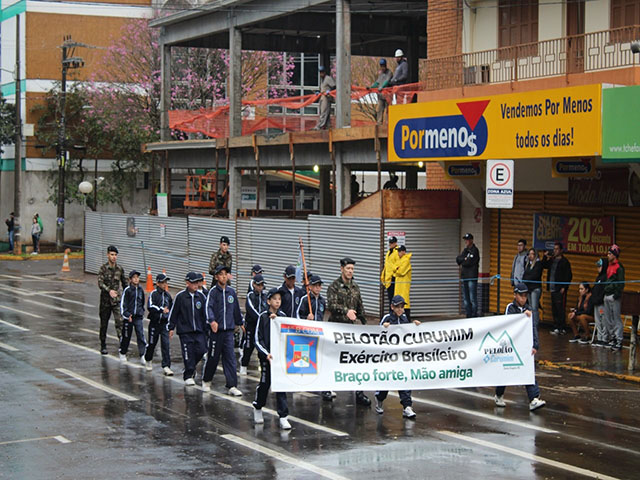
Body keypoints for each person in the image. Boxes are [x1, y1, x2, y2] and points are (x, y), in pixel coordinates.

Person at [494, 283, 546, 412]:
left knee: (527, 371)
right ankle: (499, 394)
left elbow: (532, 327)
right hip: (511, 346)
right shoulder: (510, 308)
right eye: (520, 295)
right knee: (506, 371)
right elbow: (509, 323)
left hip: (524, 347)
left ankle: (533, 398)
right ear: (515, 295)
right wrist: (523, 316)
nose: (523, 298)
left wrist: (535, 345)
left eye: (525, 296)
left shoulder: (529, 309)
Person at [326, 257, 371, 406]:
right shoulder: (334, 287)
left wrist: (368, 326)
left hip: (351, 331)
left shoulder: (355, 287)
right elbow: (331, 305)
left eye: (352, 269)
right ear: (342, 269)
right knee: (333, 360)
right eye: (348, 269)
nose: (350, 271)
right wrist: (346, 311)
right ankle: (328, 387)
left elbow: (360, 308)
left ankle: (359, 392)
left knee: (355, 360)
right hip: (336, 329)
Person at [374, 295, 419, 419]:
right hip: (389, 357)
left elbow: (409, 332)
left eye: (402, 307)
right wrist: (384, 328)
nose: (400, 310)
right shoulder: (387, 318)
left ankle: (407, 406)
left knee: (404, 379)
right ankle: (379, 398)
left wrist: (416, 325)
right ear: (392, 307)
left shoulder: (405, 318)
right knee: (387, 381)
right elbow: (376, 334)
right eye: (398, 307)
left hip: (402, 356)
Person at [253, 287, 291, 429]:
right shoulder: (262, 317)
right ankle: (258, 407)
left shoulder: (282, 316)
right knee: (265, 384)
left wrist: (279, 320)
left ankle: (283, 416)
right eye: (274, 299)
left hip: (279, 359)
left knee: (280, 385)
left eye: (279, 299)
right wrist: (265, 353)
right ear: (268, 301)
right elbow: (258, 339)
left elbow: (288, 333)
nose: (277, 302)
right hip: (266, 358)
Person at [202, 265, 244, 396]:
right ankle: (207, 380)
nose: (224, 276)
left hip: (228, 332)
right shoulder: (213, 292)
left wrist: (240, 322)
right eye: (221, 274)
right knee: (213, 357)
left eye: (226, 274)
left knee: (230, 358)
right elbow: (208, 307)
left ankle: (232, 385)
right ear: (216, 277)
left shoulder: (231, 292)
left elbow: (236, 309)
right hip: (216, 332)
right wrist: (212, 321)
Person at [167, 272, 209, 385]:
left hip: (199, 330)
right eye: (193, 283)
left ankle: (191, 367)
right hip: (185, 331)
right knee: (188, 353)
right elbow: (174, 313)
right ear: (187, 283)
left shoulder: (201, 297)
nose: (196, 285)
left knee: (202, 350)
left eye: (197, 283)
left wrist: (208, 327)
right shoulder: (180, 297)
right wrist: (170, 327)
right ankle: (188, 375)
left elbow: (206, 314)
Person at [97, 245, 127, 354]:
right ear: (108, 255)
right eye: (112, 255)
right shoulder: (103, 269)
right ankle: (103, 344)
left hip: (116, 301)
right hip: (105, 301)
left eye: (115, 255)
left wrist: (127, 295)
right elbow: (100, 283)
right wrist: (109, 290)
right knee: (104, 323)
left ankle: (122, 343)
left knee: (120, 321)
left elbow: (124, 283)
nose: (114, 257)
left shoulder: (119, 269)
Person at [145, 273, 174, 375]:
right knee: (152, 344)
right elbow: (150, 306)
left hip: (164, 324)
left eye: (166, 282)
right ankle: (148, 359)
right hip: (154, 323)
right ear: (157, 283)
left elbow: (172, 309)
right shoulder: (153, 294)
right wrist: (161, 310)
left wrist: (171, 325)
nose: (164, 284)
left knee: (165, 345)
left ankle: (166, 366)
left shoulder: (168, 296)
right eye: (162, 282)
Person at [542, 242, 572, 335]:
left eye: (557, 249)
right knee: (554, 308)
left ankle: (561, 327)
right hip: (552, 288)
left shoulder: (564, 261)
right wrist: (545, 257)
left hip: (560, 289)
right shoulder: (552, 260)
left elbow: (568, 275)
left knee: (560, 308)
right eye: (554, 249)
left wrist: (564, 287)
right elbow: (544, 265)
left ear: (561, 250)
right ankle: (556, 326)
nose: (555, 251)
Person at [119, 270, 147, 364]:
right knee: (126, 335)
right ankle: (123, 352)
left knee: (140, 335)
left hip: (138, 317)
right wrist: (127, 315)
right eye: (134, 277)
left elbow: (142, 302)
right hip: (129, 317)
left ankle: (143, 354)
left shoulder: (140, 290)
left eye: (137, 277)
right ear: (130, 279)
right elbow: (123, 305)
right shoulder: (127, 290)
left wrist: (141, 312)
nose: (136, 279)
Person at [240, 273, 267, 375]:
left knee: (261, 346)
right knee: (248, 346)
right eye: (258, 285)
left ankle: (262, 366)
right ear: (254, 285)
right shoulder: (250, 295)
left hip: (261, 327)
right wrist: (261, 318)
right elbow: (251, 309)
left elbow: (267, 309)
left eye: (262, 285)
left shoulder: (265, 296)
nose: (260, 287)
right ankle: (244, 365)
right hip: (251, 325)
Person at [603, 244, 625, 352]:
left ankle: (619, 340)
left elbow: (621, 284)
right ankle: (613, 338)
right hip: (607, 294)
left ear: (615, 255)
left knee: (616, 318)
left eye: (610, 253)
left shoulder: (619, 267)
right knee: (608, 318)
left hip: (613, 296)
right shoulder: (609, 265)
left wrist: (615, 295)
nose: (608, 255)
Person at [456, 233, 480, 318]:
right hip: (465, 277)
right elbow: (458, 260)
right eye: (465, 240)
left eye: (468, 240)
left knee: (472, 298)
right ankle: (468, 315)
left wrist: (464, 260)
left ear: (471, 240)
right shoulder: (465, 250)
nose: (466, 241)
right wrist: (464, 259)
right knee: (466, 299)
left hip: (472, 277)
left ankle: (474, 315)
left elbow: (470, 262)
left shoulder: (475, 250)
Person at [522, 248, 543, 330]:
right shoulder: (528, 264)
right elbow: (525, 275)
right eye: (529, 254)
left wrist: (527, 279)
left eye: (532, 254)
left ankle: (535, 324)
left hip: (535, 288)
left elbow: (535, 275)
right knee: (530, 307)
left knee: (534, 307)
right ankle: (530, 323)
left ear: (535, 255)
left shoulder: (538, 264)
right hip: (528, 288)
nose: (530, 256)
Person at [590, 258, 609, 347]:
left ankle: (604, 339)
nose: (598, 268)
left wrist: (599, 299)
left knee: (603, 320)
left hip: (602, 304)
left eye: (599, 266)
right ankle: (599, 338)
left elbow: (603, 291)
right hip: (596, 303)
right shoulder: (598, 277)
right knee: (598, 321)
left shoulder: (605, 277)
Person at [370, 58, 393, 124]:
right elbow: (377, 82)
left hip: (387, 95)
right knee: (380, 110)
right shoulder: (381, 74)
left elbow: (387, 81)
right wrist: (371, 87)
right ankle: (379, 124)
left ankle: (388, 123)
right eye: (381, 66)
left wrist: (382, 87)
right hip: (381, 96)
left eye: (383, 66)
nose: (382, 67)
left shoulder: (389, 73)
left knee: (388, 110)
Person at [392, 245, 412, 321]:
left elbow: (401, 271)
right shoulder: (399, 260)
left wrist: (396, 270)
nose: (398, 253)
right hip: (398, 286)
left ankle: (407, 322)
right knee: (397, 305)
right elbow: (393, 268)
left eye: (399, 251)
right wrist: (396, 269)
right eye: (398, 251)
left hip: (403, 287)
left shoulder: (406, 260)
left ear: (403, 252)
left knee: (404, 305)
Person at [380, 236, 399, 309]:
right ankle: (391, 313)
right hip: (388, 278)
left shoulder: (397, 252)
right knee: (390, 298)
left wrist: (394, 274)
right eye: (390, 243)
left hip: (393, 278)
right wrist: (383, 275)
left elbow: (397, 265)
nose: (390, 244)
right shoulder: (389, 252)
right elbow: (387, 265)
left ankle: (394, 313)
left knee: (394, 298)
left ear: (395, 243)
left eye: (392, 243)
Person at [315, 65, 336, 130]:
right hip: (322, 96)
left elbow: (334, 86)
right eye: (320, 72)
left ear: (324, 72)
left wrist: (329, 91)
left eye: (322, 72)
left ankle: (320, 126)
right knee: (323, 112)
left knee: (324, 112)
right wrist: (318, 92)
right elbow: (322, 88)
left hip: (326, 97)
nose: (321, 74)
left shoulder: (328, 78)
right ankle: (327, 126)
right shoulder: (322, 79)